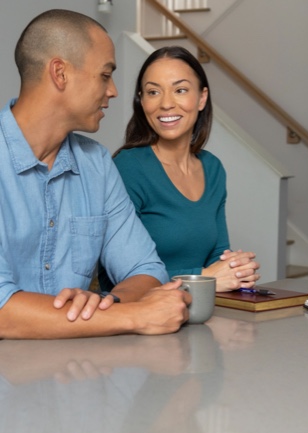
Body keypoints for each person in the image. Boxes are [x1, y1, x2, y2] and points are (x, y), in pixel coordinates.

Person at [0, 9, 191, 339]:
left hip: (80, 375)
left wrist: (106, 304)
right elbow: (3, 314)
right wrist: (134, 315)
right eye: (105, 75)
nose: (114, 91)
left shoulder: (97, 164)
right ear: (60, 73)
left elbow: (146, 270)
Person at [105, 46, 259, 292]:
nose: (166, 104)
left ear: (202, 98)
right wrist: (204, 278)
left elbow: (218, 253)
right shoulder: (128, 167)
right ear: (142, 101)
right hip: (143, 315)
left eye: (180, 90)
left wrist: (236, 269)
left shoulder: (213, 168)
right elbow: (122, 277)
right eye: (153, 92)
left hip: (200, 311)